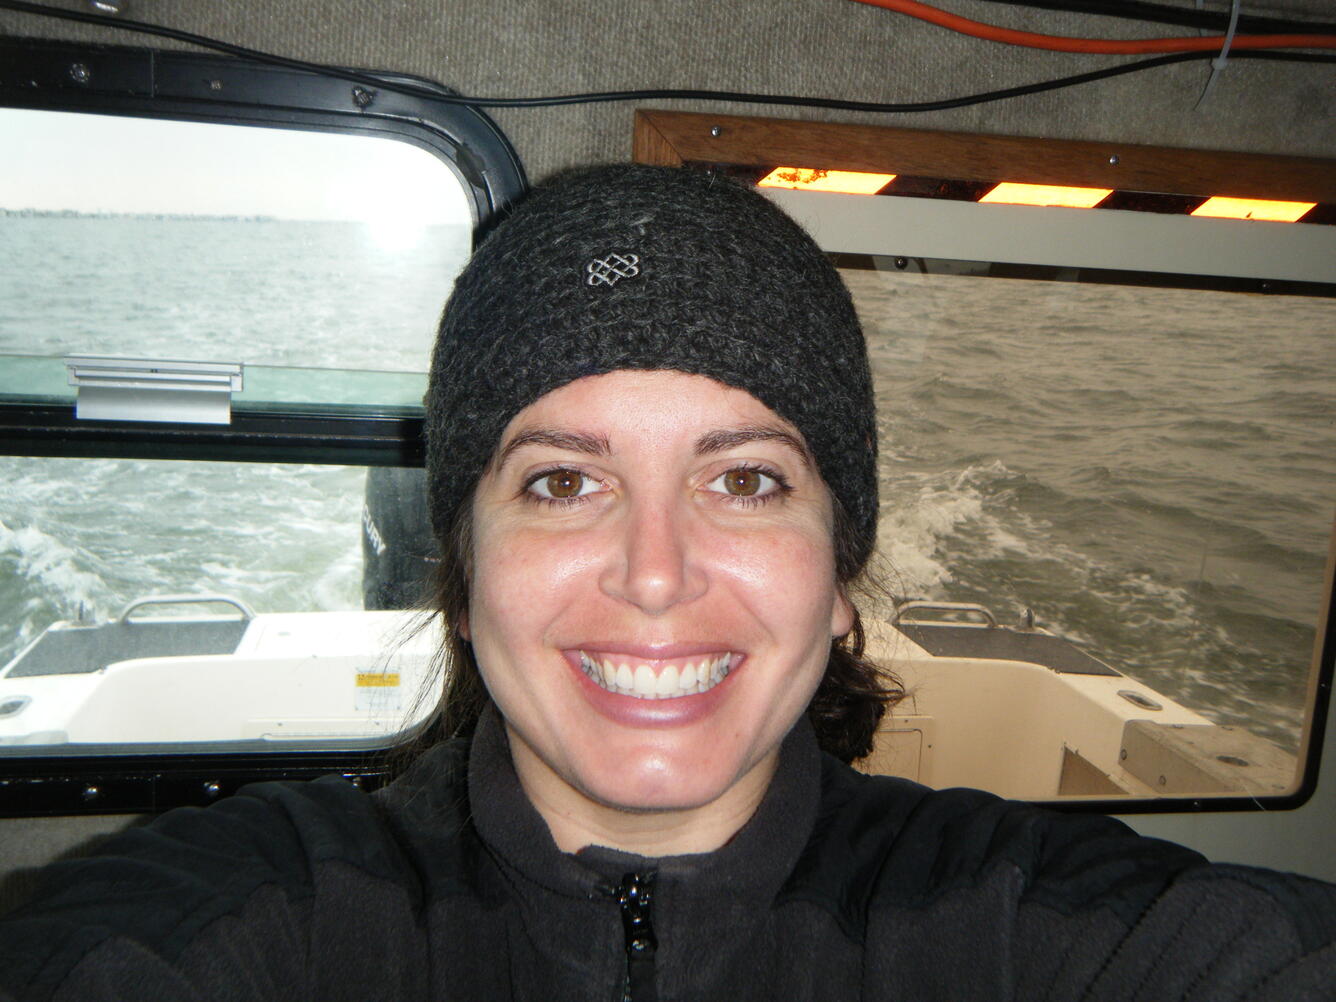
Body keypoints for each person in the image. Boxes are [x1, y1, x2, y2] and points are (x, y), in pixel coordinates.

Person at [1, 165, 1333, 1001]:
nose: (653, 573)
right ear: (462, 575)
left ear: (843, 575)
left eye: (745, 478)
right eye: (560, 481)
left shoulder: (1025, 928)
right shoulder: (261, 925)